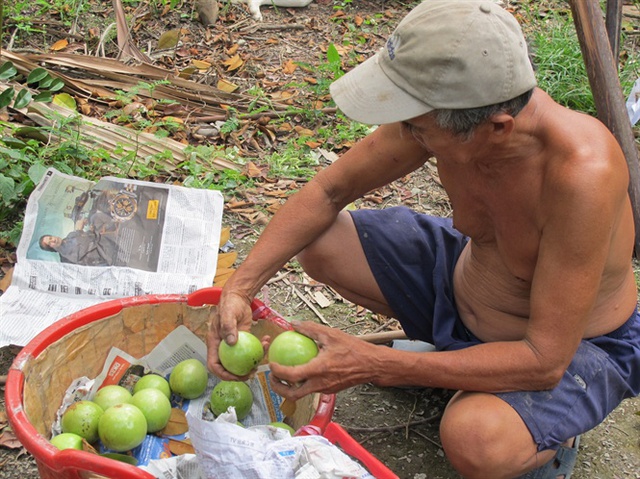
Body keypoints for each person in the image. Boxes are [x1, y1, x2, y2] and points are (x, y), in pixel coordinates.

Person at [207, 1, 640, 478]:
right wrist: (241, 285)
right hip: (468, 283)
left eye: (417, 126)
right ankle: (454, 359)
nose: (404, 133)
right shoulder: (452, 118)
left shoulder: (581, 175)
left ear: (495, 128)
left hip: (569, 349)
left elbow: (544, 360)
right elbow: (329, 191)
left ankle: (552, 430)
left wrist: (376, 365)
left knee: (476, 440)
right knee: (322, 242)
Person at [39, 212, 118, 266]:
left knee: (95, 217)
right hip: (104, 256)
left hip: (103, 241)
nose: (53, 240)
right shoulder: (66, 259)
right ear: (52, 248)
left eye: (50, 238)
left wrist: (90, 229)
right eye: (50, 243)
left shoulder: (70, 236)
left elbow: (86, 234)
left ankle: (118, 226)